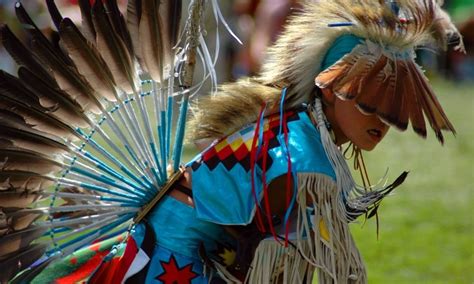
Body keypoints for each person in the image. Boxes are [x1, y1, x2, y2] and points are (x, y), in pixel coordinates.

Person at [1, 0, 463, 283]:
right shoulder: (302, 157)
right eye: (368, 103)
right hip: (169, 269)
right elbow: (275, 264)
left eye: (390, 112)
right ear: (328, 85)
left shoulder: (297, 132)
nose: (380, 122)